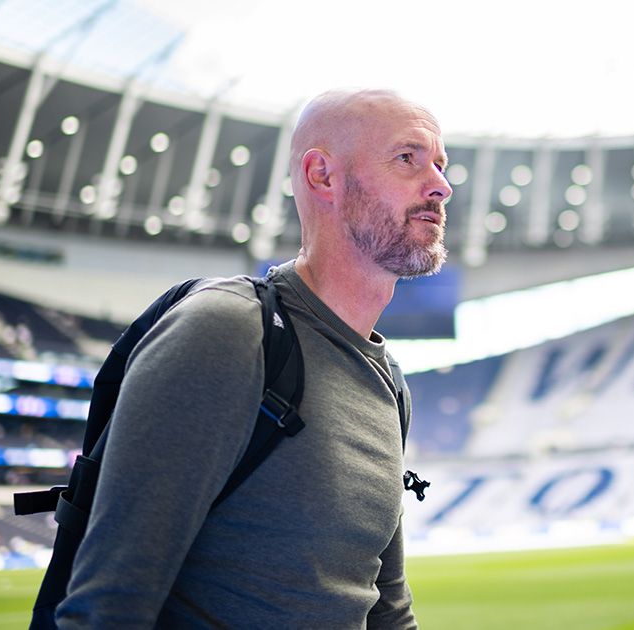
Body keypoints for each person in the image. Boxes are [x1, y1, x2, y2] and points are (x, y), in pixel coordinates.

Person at [55, 88, 451, 628]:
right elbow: (108, 606)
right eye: (408, 158)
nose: (440, 186)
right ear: (322, 176)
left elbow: (386, 604)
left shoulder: (387, 379)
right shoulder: (226, 332)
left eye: (440, 165)